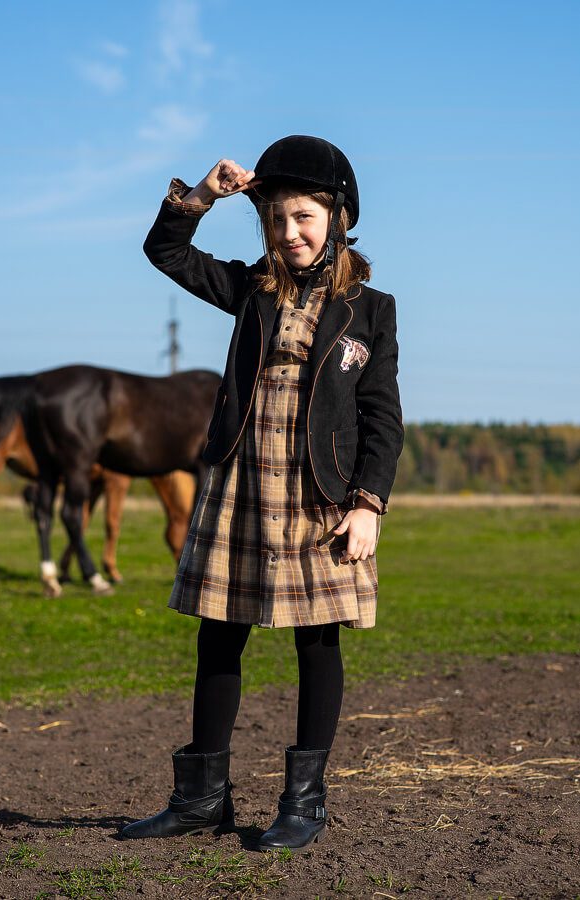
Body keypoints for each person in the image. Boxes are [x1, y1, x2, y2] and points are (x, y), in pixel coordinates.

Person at [122, 135, 404, 852]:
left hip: (320, 496)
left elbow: (382, 418)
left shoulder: (372, 310)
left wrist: (367, 504)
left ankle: (303, 805)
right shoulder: (251, 289)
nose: (288, 231)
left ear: (337, 218)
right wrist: (201, 198)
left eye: (303, 216)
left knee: (318, 642)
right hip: (241, 483)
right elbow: (166, 252)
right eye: (275, 218)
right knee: (219, 633)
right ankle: (199, 800)